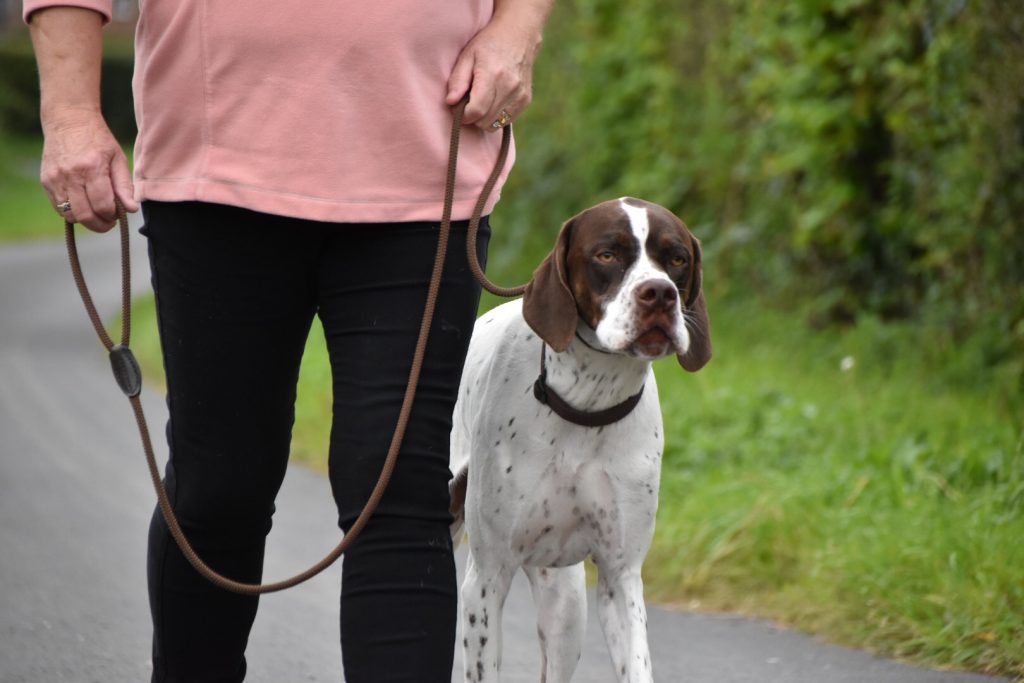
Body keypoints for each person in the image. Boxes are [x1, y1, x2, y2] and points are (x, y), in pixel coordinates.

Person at [25, 1, 554, 681]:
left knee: (396, 491)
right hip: (214, 176)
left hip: (425, 172)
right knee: (218, 490)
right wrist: (69, 115)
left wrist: (518, 29)